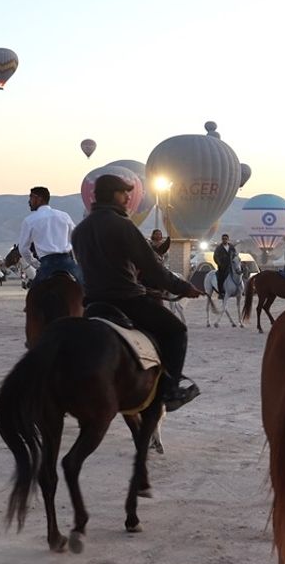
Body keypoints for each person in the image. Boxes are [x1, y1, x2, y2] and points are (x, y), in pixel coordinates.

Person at [72, 174, 204, 412]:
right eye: (124, 192)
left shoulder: (79, 231)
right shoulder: (122, 225)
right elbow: (152, 268)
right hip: (127, 299)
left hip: (92, 303)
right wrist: (183, 288)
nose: (127, 197)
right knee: (176, 331)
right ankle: (171, 391)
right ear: (113, 194)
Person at [15, 186, 81, 286]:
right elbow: (76, 238)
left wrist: (35, 263)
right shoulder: (64, 216)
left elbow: (23, 249)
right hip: (66, 261)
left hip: (46, 263)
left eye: (31, 198)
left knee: (34, 293)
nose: (29, 202)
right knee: (88, 286)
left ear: (39, 199)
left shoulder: (29, 221)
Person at [214, 234, 235, 299]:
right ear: (222, 239)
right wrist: (219, 264)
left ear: (228, 239)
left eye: (226, 239)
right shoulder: (219, 248)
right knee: (220, 279)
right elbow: (215, 257)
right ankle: (220, 293)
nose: (224, 240)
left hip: (231, 265)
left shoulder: (231, 247)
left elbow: (235, 254)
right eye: (223, 239)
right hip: (222, 267)